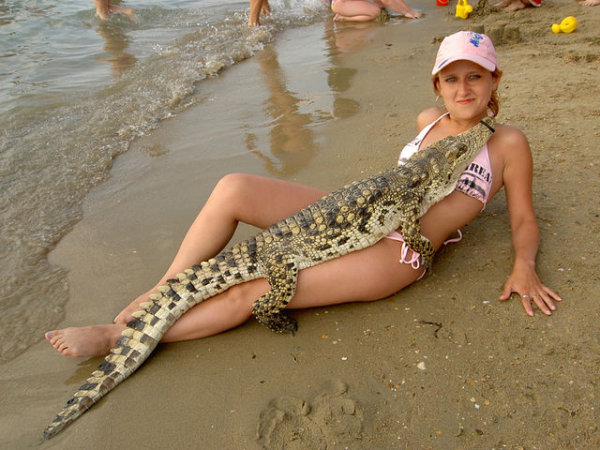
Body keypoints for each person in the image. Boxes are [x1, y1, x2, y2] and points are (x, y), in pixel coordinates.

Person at [45, 31, 561, 358]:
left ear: (495, 80)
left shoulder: (508, 143)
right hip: (357, 216)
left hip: (397, 253)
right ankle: (163, 289)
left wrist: (525, 265)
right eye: (452, 79)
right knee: (233, 188)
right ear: (437, 86)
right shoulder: (430, 120)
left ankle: (120, 338)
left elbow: (523, 218)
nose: (463, 89)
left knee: (253, 289)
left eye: (475, 77)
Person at [331, 0, 422, 21]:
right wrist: (406, 12)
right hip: (341, 3)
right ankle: (342, 17)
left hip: (351, 2)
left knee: (379, 6)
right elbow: (387, 1)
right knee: (376, 12)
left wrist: (409, 10)